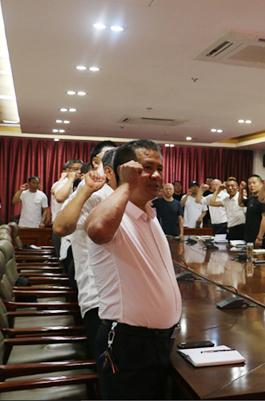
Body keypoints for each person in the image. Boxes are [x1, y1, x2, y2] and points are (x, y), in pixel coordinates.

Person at [85, 139, 181, 400]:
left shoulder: (148, 214)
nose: (157, 175)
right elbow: (97, 230)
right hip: (129, 343)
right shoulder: (112, 214)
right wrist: (125, 185)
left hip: (158, 341)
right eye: (146, 168)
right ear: (124, 171)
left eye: (159, 168)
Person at [53, 145, 117, 358]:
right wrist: (86, 189)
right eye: (107, 157)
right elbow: (61, 227)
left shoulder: (122, 193)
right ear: (95, 163)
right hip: (97, 294)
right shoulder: (90, 188)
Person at [239, 175, 265, 248]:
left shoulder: (263, 199)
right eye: (249, 183)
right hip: (249, 235)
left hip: (258, 236)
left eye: (254, 183)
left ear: (261, 185)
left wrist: (260, 237)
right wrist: (241, 189)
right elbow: (240, 203)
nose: (251, 185)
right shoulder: (251, 197)